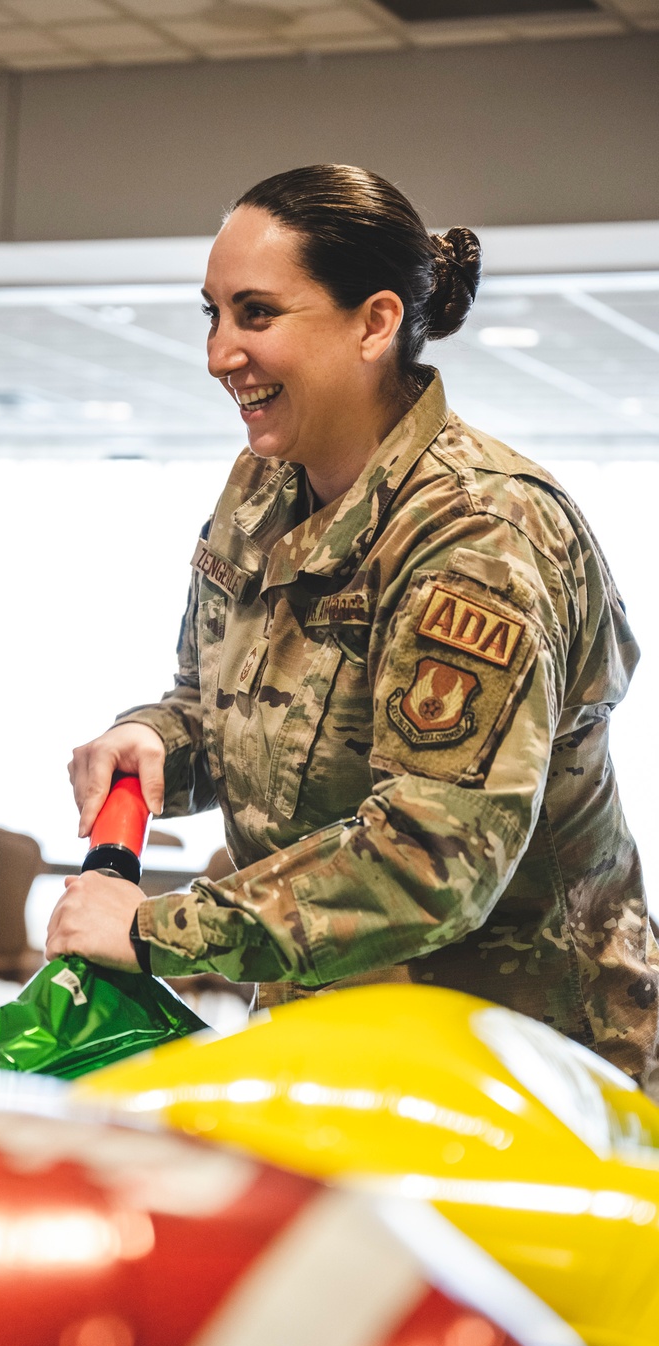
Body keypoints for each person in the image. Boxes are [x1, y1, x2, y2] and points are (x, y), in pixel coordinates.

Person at [46, 163, 659, 1084]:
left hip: (525, 1065)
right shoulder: (260, 493)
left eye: (256, 314)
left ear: (374, 323)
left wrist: (154, 928)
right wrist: (156, 738)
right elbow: (226, 708)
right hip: (343, 1043)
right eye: (210, 313)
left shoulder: (477, 531)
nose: (219, 352)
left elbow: (430, 855)